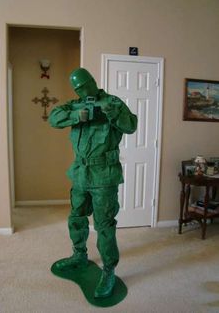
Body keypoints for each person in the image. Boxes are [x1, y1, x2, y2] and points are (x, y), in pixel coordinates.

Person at [49, 68, 137, 298]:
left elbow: (131, 126)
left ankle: (108, 270)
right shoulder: (74, 105)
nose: (79, 90)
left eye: (82, 85)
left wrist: (112, 114)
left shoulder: (112, 102)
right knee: (76, 217)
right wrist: (77, 116)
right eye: (76, 88)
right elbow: (53, 118)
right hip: (80, 172)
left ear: (92, 81)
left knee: (104, 225)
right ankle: (79, 254)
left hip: (104, 175)